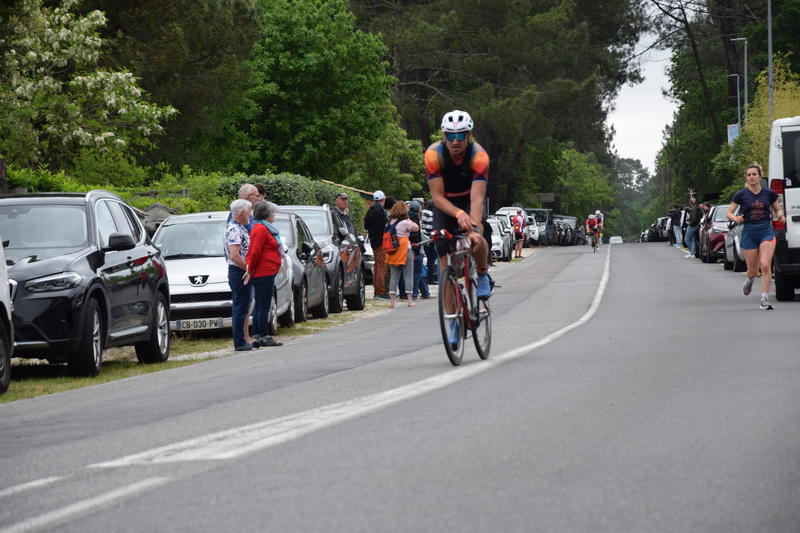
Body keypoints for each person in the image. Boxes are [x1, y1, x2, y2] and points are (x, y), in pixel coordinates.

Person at [726, 163, 786, 310]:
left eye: (754, 174)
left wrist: (781, 216)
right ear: (746, 178)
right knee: (753, 271)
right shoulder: (741, 194)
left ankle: (764, 299)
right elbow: (729, 212)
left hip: (766, 230)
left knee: (765, 265)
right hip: (749, 232)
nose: (751, 177)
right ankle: (750, 279)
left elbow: (777, 209)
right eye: (749, 175)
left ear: (759, 176)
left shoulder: (769, 193)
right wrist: (735, 218)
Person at [244, 201, 283, 347]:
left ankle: (258, 334)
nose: (274, 215)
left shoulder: (263, 227)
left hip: (265, 271)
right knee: (263, 304)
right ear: (266, 214)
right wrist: (250, 270)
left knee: (261, 304)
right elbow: (255, 252)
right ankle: (263, 335)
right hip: (263, 272)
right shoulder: (261, 229)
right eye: (272, 212)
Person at [225, 199, 255, 351]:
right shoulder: (234, 229)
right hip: (239, 272)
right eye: (249, 211)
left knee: (243, 306)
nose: (250, 214)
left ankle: (242, 339)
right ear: (242, 212)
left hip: (242, 270)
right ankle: (239, 341)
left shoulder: (240, 227)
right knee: (240, 306)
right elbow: (235, 255)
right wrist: (248, 269)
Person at [385, 201, 419, 308]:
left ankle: (391, 302)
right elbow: (416, 228)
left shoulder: (389, 222)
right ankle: (409, 301)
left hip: (392, 251)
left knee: (394, 276)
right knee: (408, 275)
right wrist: (409, 219)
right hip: (405, 251)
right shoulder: (405, 222)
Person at [364, 190, 389, 299]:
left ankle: (377, 291)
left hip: (373, 241)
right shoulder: (379, 211)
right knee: (382, 267)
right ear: (383, 199)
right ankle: (381, 292)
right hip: (380, 242)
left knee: (377, 266)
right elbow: (385, 226)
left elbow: (365, 226)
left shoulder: (370, 210)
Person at [408, 200, 431, 300]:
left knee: (420, 271)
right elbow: (417, 236)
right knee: (417, 273)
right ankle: (414, 294)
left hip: (409, 248)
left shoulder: (406, 218)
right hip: (416, 250)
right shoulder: (415, 220)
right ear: (418, 210)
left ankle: (425, 292)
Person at [421, 199, 437, 284]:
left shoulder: (424, 213)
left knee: (428, 259)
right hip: (430, 239)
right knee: (431, 259)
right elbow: (430, 228)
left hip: (423, 239)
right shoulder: (431, 214)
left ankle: (428, 277)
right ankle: (430, 278)